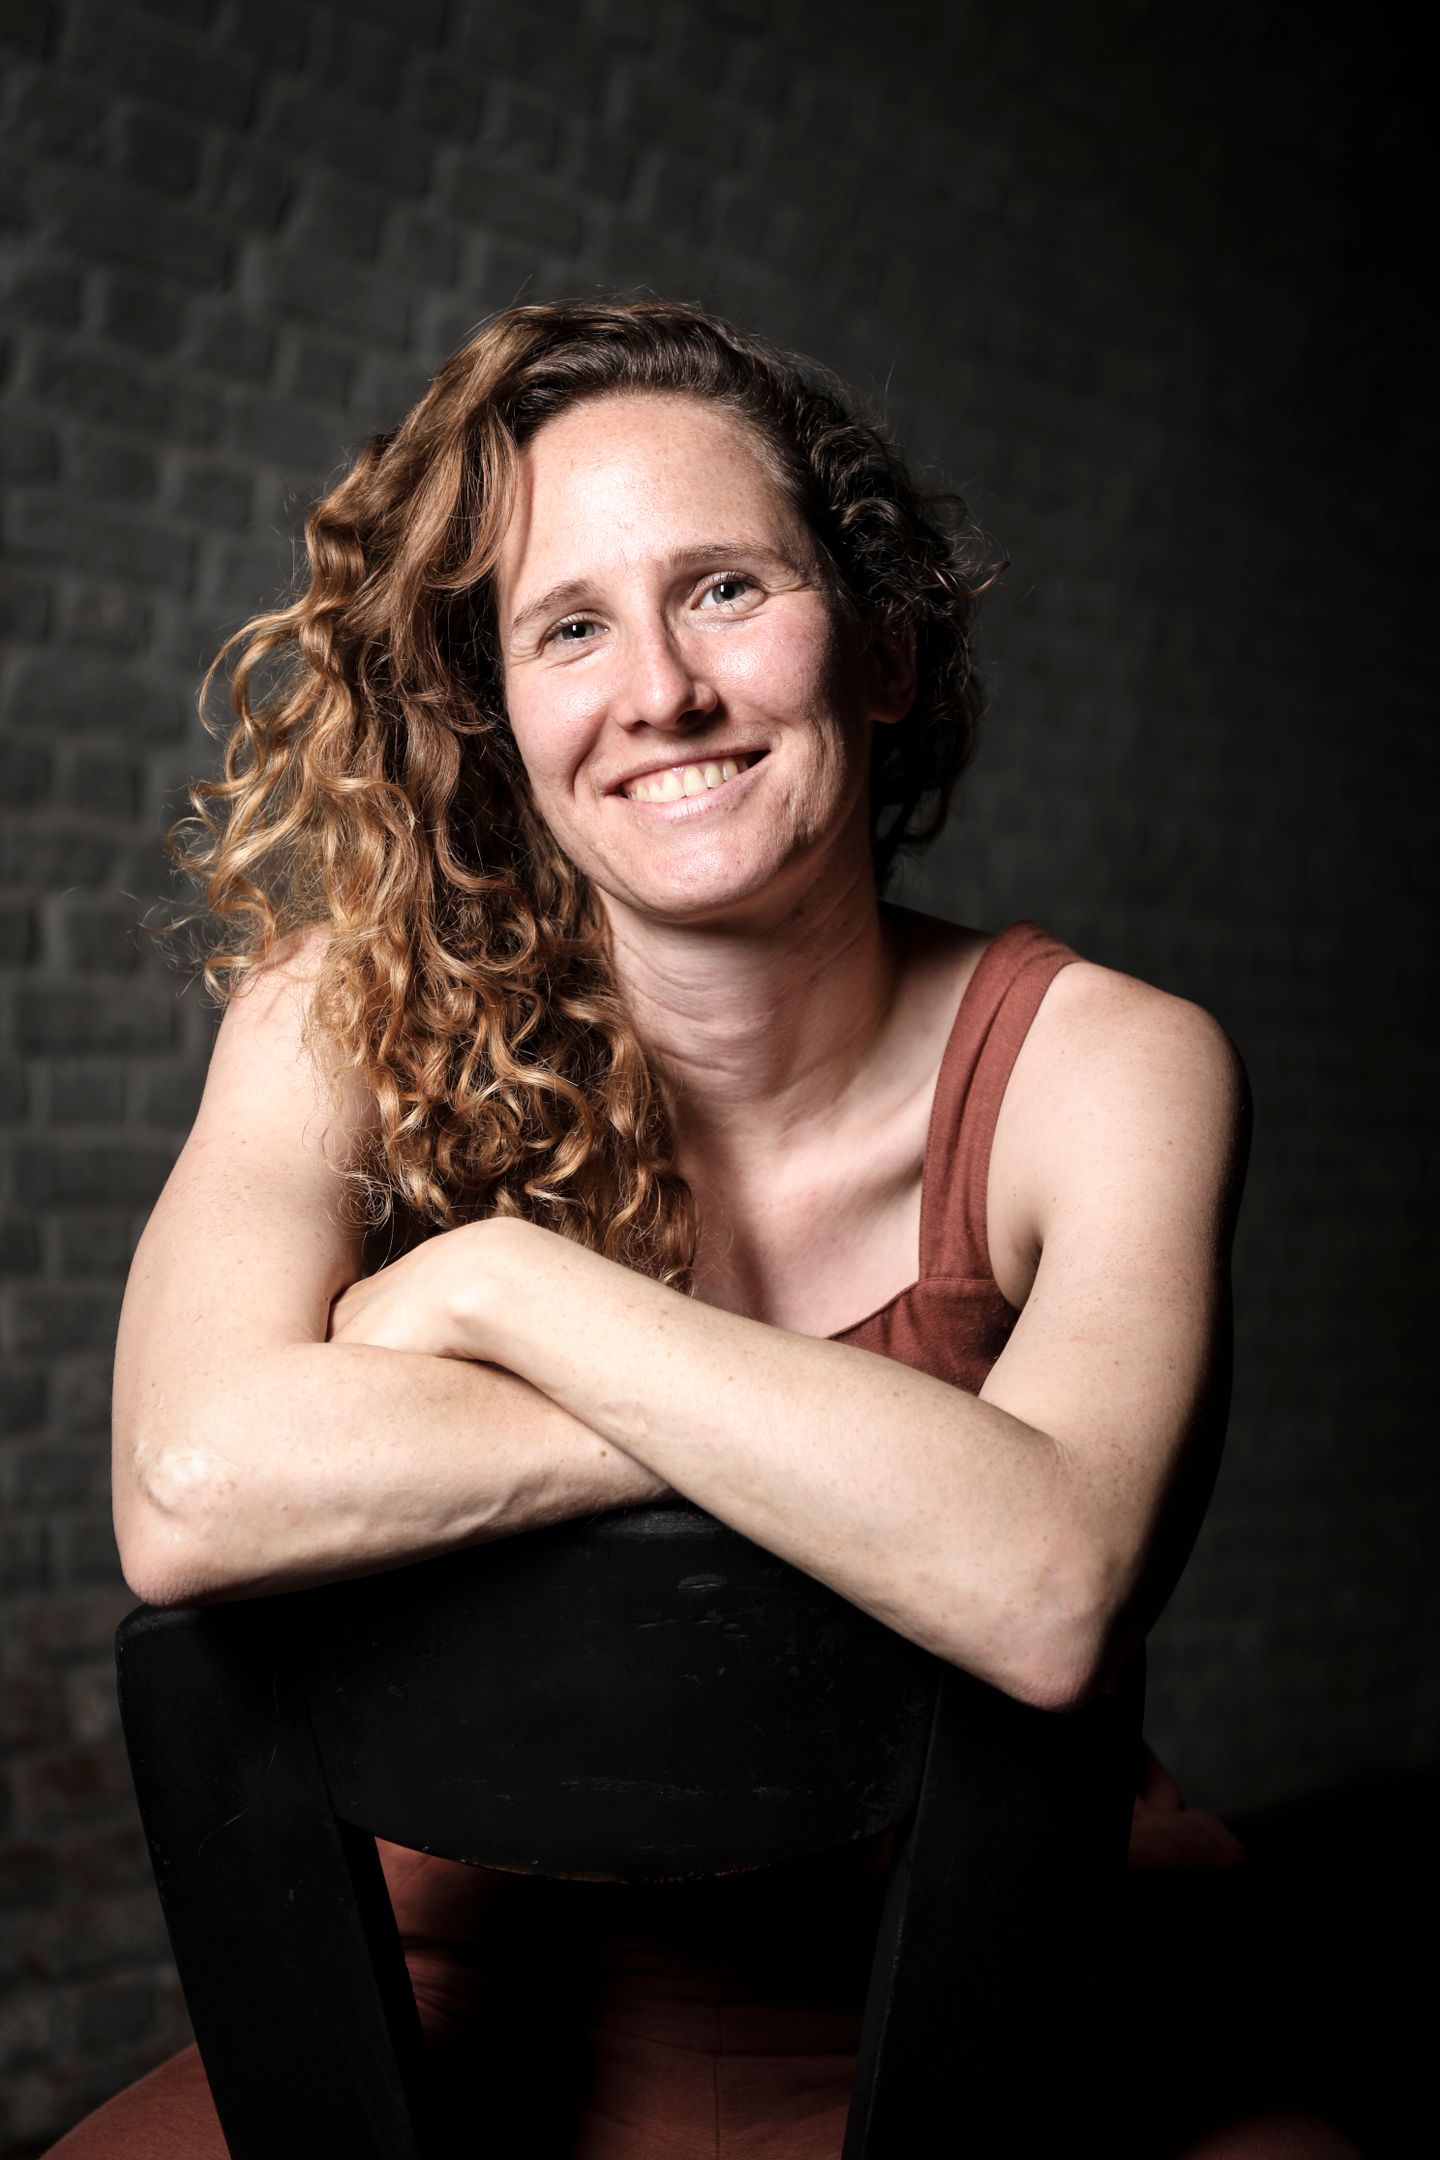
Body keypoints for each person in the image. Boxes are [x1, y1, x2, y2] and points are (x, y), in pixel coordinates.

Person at [53, 299, 1362, 2157]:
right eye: (570, 628)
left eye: (728, 590)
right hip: (457, 1998)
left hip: (984, 1976)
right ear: (505, 722)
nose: (660, 689)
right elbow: (188, 1487)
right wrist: (889, 1469)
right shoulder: (338, 1022)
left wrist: (501, 1289)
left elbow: (1052, 1582)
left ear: (885, 647)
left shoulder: (1114, 1063)